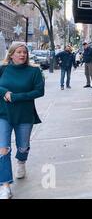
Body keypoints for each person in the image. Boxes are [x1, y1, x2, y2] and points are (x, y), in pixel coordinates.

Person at [0, 42, 45, 199]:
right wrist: (5, 92)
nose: (22, 55)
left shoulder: (34, 71)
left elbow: (39, 91)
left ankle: (21, 161)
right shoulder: (3, 69)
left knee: (23, 146)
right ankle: (5, 186)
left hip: (25, 115)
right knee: (3, 148)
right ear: (11, 54)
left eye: (24, 52)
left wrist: (15, 97)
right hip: (3, 114)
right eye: (18, 52)